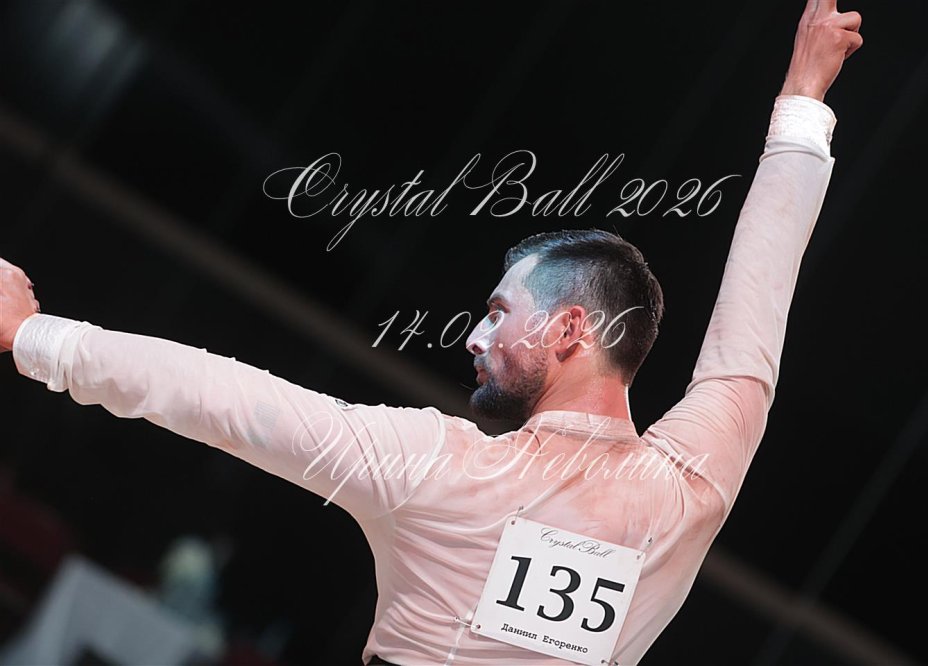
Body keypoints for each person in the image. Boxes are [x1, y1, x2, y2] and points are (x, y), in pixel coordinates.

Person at [0, 1, 862, 663]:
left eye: (498, 313)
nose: (473, 339)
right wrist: (801, 103)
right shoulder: (690, 484)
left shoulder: (438, 467)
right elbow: (755, 312)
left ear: (569, 327)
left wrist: (32, 335)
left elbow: (225, 398)